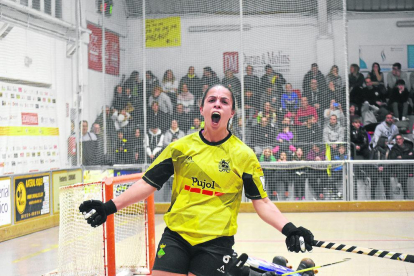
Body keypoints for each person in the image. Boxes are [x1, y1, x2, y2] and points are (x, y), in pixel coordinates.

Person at [79, 84, 314, 276]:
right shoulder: (180, 148)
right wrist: (109, 207)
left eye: (224, 102)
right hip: (176, 236)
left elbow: (261, 202)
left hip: (215, 242)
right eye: (212, 100)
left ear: (232, 113)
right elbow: (147, 183)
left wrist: (290, 229)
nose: (217, 104)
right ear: (201, 108)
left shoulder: (243, 155)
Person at [388, 134, 414, 200]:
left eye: (399, 139)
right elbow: (393, 158)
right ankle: (405, 195)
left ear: (403, 139)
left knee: (403, 168)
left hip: (410, 167)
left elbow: (412, 157)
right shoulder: (394, 149)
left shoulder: (409, 146)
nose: (398, 140)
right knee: (402, 169)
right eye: (397, 139)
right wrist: (407, 156)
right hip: (399, 168)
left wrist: (402, 157)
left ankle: (399, 185)